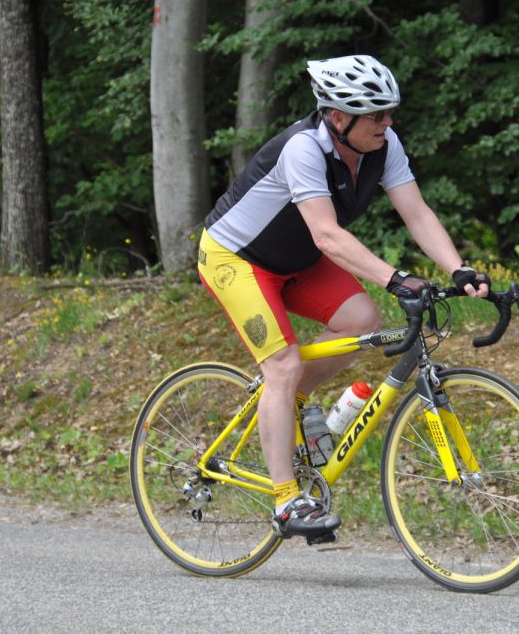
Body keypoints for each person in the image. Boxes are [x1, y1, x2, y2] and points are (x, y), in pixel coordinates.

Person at [198, 54, 490, 539]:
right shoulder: (303, 149)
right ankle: (287, 500)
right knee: (283, 367)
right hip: (235, 259)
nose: (388, 123)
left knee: (361, 319)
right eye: (377, 115)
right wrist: (397, 278)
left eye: (389, 112)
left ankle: (291, 404)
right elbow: (328, 237)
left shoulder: (383, 145)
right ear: (339, 117)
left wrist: (457, 268)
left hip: (295, 262)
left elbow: (416, 213)